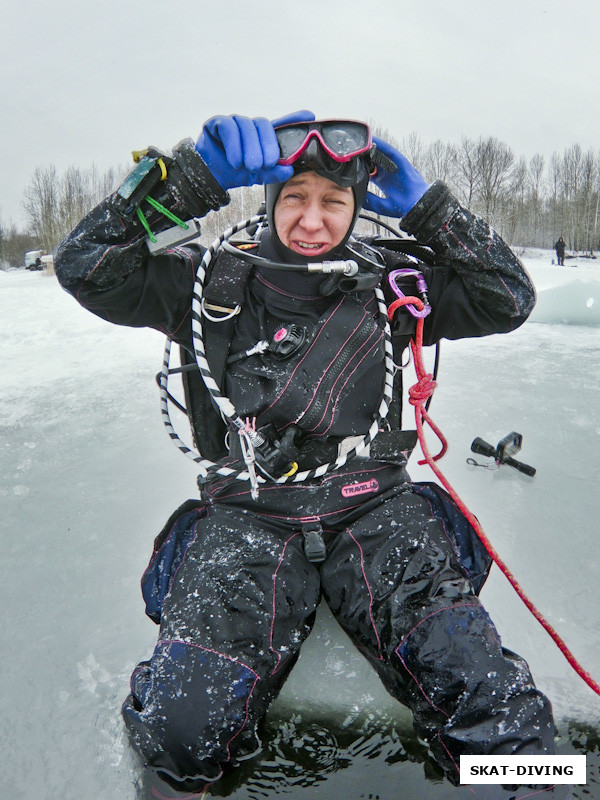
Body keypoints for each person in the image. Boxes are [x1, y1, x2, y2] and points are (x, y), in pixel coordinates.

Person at [55, 112, 569, 800]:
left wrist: (431, 211)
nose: (312, 219)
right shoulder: (207, 280)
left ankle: (540, 789)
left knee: (498, 713)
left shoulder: (396, 284)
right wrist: (188, 182)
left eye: (334, 201)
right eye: (295, 197)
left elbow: (509, 296)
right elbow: (84, 265)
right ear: (269, 202)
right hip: (250, 517)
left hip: (380, 512)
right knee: (180, 730)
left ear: (357, 208)